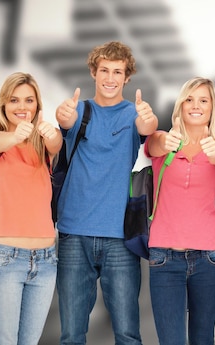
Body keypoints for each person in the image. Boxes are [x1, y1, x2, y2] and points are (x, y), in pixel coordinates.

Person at [54, 41, 158, 345]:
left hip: (121, 238)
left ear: (127, 78)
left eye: (117, 72)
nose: (110, 78)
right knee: (72, 335)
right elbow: (65, 123)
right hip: (74, 234)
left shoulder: (133, 115)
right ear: (93, 72)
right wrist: (63, 118)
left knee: (127, 334)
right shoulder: (80, 112)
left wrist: (148, 121)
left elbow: (147, 126)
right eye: (104, 70)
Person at [144, 77, 215, 345]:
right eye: (189, 99)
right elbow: (154, 144)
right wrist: (168, 142)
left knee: (203, 339)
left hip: (209, 260)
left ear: (211, 108)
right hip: (164, 259)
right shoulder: (164, 141)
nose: (196, 105)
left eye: (203, 100)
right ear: (181, 106)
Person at [0, 72, 62, 344]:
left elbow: (56, 143)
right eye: (14, 100)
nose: (22, 107)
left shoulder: (44, 148)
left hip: (46, 261)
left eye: (29, 100)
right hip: (4, 260)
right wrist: (15, 136)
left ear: (37, 106)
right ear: (3, 105)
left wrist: (52, 132)